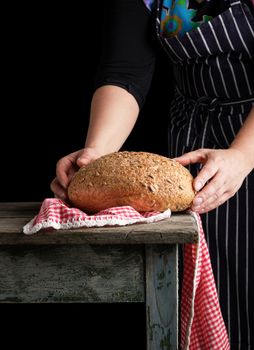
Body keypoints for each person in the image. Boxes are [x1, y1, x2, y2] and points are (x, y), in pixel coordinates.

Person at [50, 0, 254, 348]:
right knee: (215, 293)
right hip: (195, 152)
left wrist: (243, 154)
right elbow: (125, 71)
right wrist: (97, 154)